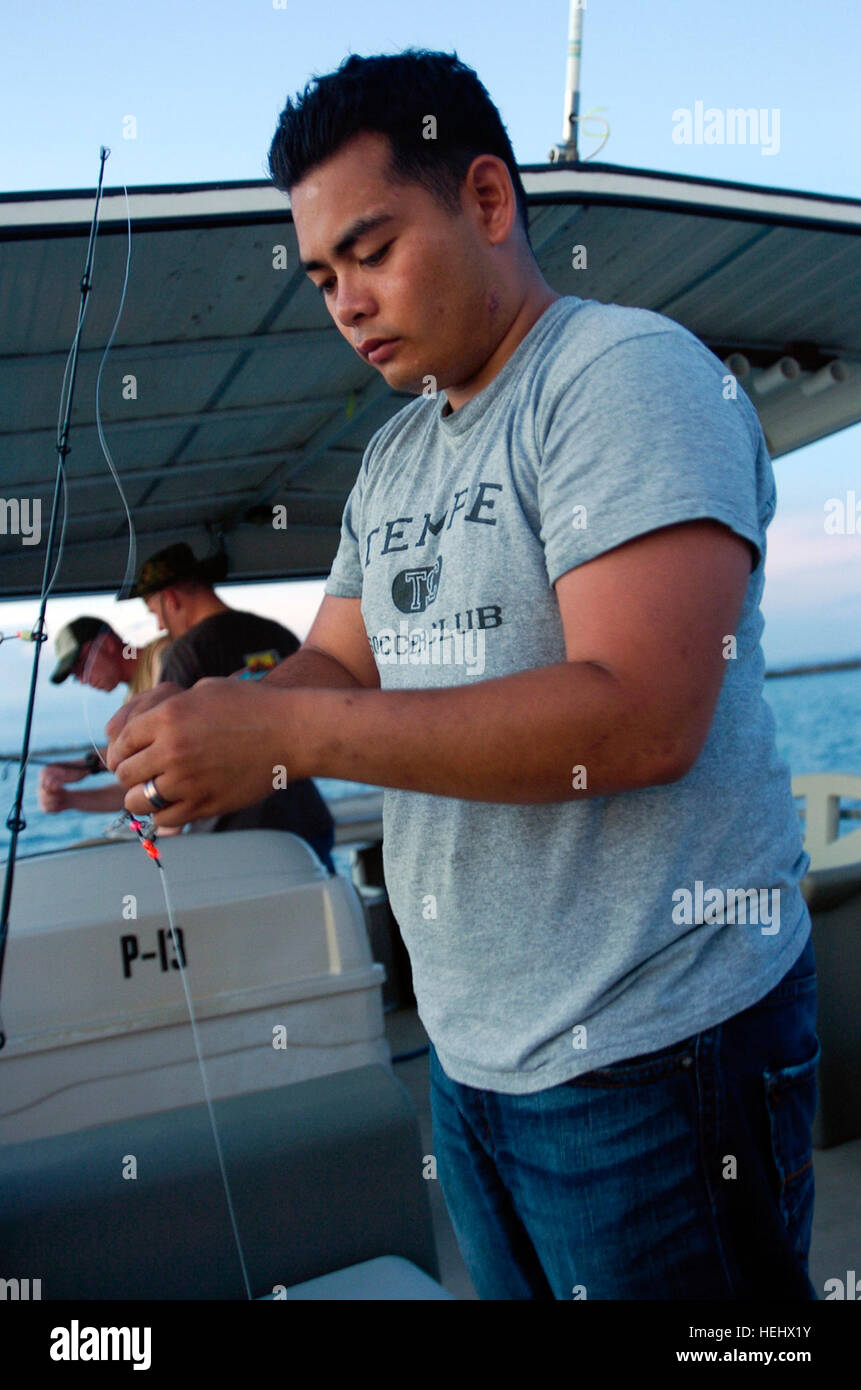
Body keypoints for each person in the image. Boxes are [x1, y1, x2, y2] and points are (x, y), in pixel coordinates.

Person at [106, 50, 818, 1300]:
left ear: (488, 200)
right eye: (323, 275)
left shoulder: (624, 375)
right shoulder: (390, 460)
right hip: (473, 1059)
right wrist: (212, 718)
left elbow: (643, 716)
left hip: (661, 1058)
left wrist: (300, 738)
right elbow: (334, 657)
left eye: (371, 251)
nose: (345, 301)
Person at [120, 542, 336, 872]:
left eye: (155, 613)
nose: (160, 627)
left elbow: (171, 763)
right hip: (303, 828)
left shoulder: (185, 653)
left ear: (172, 598)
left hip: (235, 842)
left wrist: (162, 840)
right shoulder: (277, 634)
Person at [39, 618, 169, 817]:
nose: (83, 680)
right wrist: (68, 799)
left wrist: (87, 765)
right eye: (76, 675)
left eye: (83, 666)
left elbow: (160, 749)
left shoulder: (163, 655)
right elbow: (136, 790)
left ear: (108, 644)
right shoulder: (132, 700)